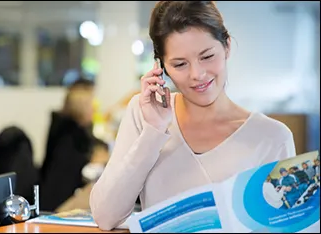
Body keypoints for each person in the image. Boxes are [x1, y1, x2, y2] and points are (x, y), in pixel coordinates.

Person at [89, 1, 296, 230]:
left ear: (227, 46)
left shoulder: (272, 137)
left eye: (207, 57)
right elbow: (105, 216)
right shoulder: (142, 112)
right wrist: (154, 131)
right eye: (180, 64)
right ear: (161, 67)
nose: (197, 74)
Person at [40, 78, 109, 212]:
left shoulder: (75, 128)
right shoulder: (68, 137)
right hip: (60, 202)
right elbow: (81, 165)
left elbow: (96, 144)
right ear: (82, 109)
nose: (94, 110)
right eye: (91, 106)